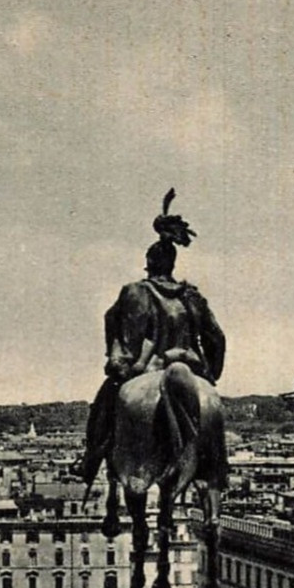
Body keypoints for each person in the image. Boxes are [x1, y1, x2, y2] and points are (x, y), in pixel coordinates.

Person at [80, 189, 226, 534]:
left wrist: (122, 366)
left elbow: (126, 340)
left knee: (103, 404)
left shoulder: (136, 292)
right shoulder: (192, 296)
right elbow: (217, 338)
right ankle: (215, 489)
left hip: (147, 368)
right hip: (191, 368)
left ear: (151, 265)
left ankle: (90, 460)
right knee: (214, 433)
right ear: (172, 265)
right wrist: (210, 375)